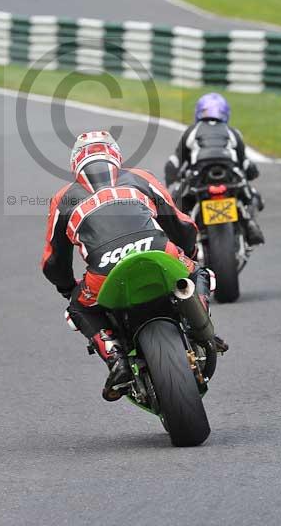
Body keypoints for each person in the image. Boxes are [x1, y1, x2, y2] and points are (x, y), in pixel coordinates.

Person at [42, 131, 223, 401]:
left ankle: (116, 357)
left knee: (77, 307)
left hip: (104, 272)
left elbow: (53, 260)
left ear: (75, 164)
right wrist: (190, 253)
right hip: (158, 252)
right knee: (197, 272)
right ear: (115, 155)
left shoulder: (63, 199)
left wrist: (67, 288)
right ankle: (202, 327)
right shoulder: (142, 178)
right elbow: (181, 224)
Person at [164, 92, 264, 246]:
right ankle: (250, 223)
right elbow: (246, 164)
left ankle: (177, 235)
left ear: (198, 112)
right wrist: (252, 174)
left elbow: (174, 162)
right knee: (252, 195)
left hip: (199, 174)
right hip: (230, 173)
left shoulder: (192, 131)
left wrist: (170, 179)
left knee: (174, 201)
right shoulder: (233, 132)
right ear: (225, 114)